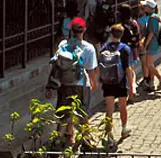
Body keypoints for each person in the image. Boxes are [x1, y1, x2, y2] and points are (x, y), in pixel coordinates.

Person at [45, 17, 98, 145]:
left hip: (65, 84)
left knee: (63, 114)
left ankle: (60, 140)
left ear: (71, 30)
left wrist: (50, 86)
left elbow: (56, 66)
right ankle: (86, 139)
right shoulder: (88, 48)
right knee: (83, 114)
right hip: (81, 85)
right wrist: (94, 83)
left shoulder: (63, 45)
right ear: (84, 30)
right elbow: (90, 70)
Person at [97, 24, 135, 143]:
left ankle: (108, 134)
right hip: (121, 82)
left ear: (111, 34)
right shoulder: (125, 49)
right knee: (122, 106)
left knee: (109, 110)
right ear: (122, 35)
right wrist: (131, 86)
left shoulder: (104, 48)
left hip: (108, 82)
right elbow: (128, 69)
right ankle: (124, 128)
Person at [138, 0, 161, 91]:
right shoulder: (155, 17)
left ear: (150, 8)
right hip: (153, 43)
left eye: (145, 6)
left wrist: (145, 45)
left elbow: (151, 33)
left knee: (149, 64)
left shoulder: (152, 19)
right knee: (150, 64)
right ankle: (151, 82)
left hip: (152, 43)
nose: (144, 7)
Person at [117, 3, 142, 99]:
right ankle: (133, 89)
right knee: (131, 70)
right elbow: (138, 35)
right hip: (132, 49)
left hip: (122, 50)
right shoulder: (134, 23)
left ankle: (130, 90)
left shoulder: (120, 25)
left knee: (125, 71)